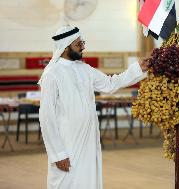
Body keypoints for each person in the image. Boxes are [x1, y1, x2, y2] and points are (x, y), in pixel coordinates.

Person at [38, 25, 148, 189]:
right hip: (67, 145)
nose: (83, 46)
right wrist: (57, 154)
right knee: (65, 183)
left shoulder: (85, 69)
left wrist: (139, 68)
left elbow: (111, 84)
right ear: (65, 46)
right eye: (78, 44)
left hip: (88, 142)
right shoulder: (51, 73)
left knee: (87, 182)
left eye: (82, 42)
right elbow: (47, 118)